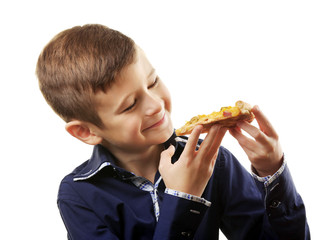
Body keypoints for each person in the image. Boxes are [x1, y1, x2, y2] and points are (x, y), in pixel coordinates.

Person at [36, 24, 310, 239]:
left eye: (153, 82)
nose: (156, 105)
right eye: (130, 105)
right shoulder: (79, 195)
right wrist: (183, 200)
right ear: (86, 131)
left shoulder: (214, 161)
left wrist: (271, 171)